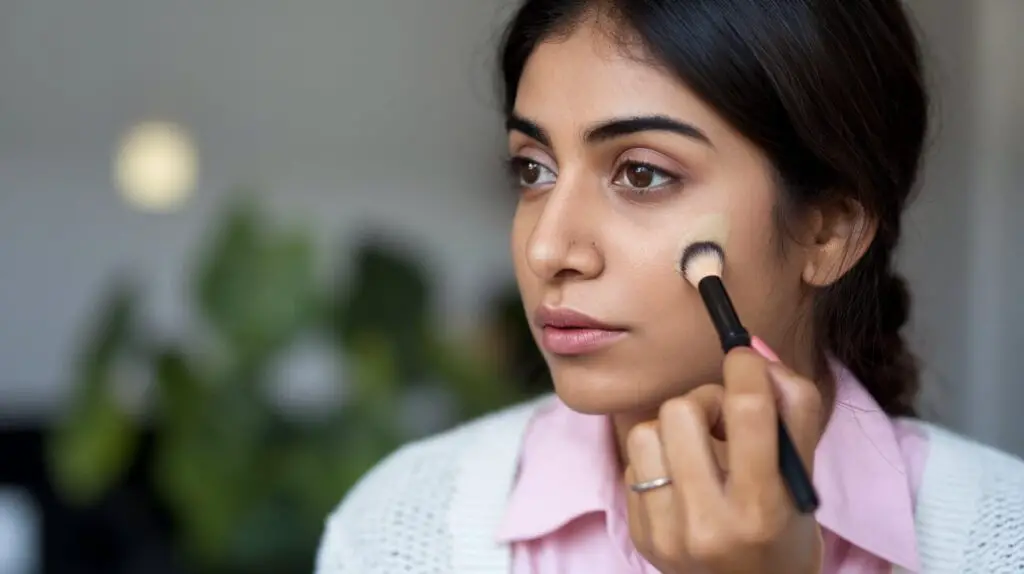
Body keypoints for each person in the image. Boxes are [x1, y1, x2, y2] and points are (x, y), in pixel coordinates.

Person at [315, 0, 1024, 572]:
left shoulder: (1001, 543)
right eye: (533, 169)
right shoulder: (406, 528)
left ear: (827, 232)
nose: (548, 247)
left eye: (643, 173)